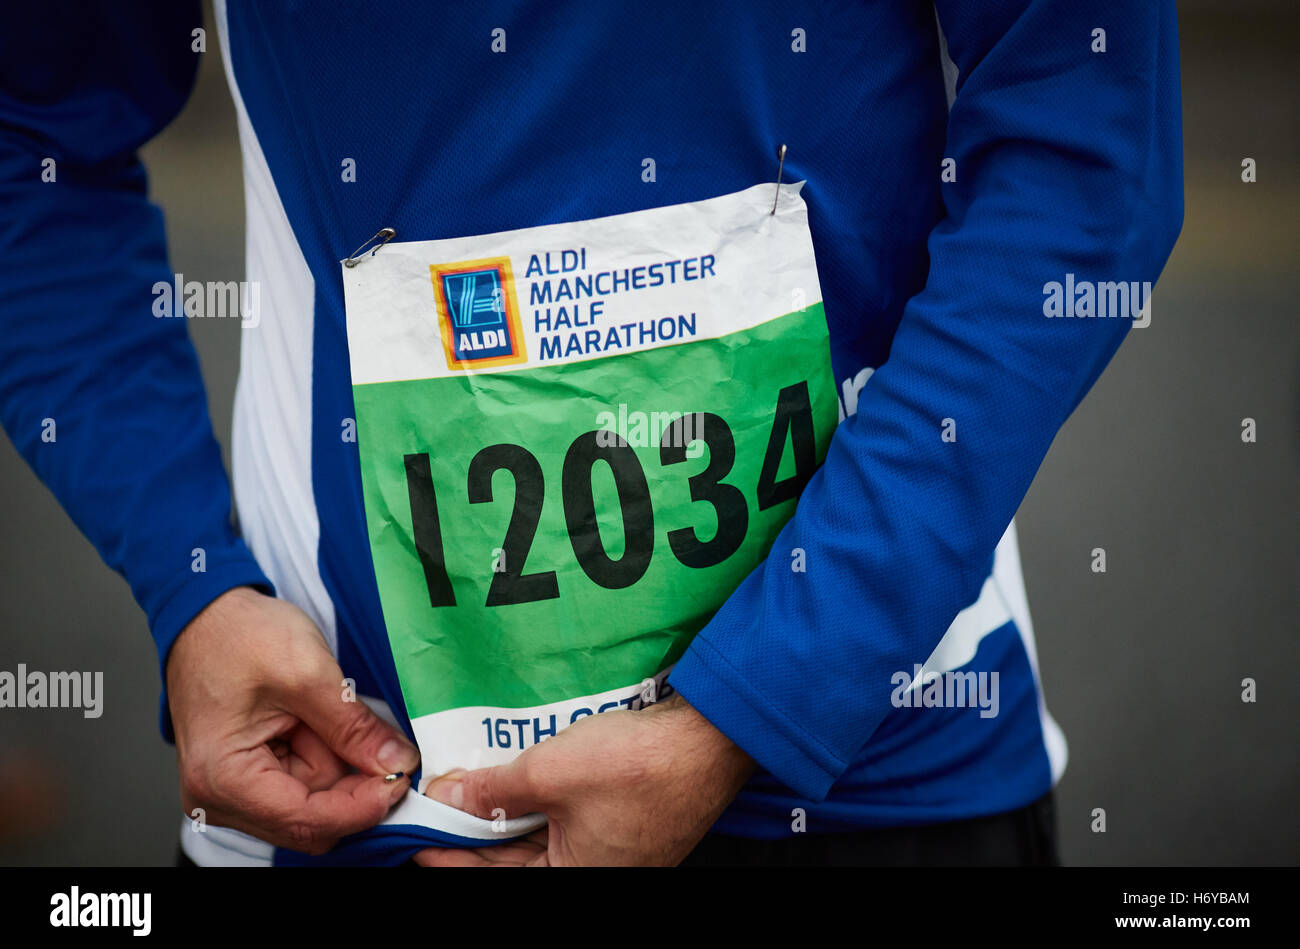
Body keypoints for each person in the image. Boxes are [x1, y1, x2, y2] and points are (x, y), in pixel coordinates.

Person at [0, 0, 1182, 866]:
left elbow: (1084, 142)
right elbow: (31, 135)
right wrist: (191, 583)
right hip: (361, 774)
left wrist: (770, 690)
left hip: (879, 750)